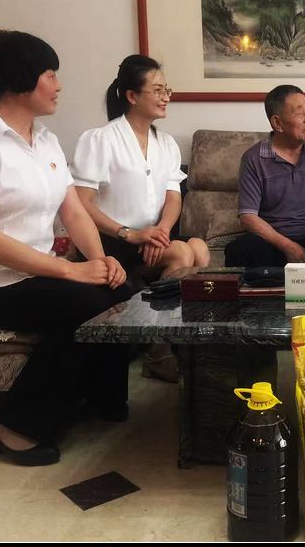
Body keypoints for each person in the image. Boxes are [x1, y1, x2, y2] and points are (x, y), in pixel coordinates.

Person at [0, 30, 133, 466]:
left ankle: (100, 399)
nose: (58, 85)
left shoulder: (46, 140)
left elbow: (74, 212)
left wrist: (100, 261)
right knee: (83, 307)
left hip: (34, 273)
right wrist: (71, 271)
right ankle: (14, 426)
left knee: (123, 294)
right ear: (20, 79)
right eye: (50, 75)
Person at [72, 54, 210, 382]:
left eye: (167, 90)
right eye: (157, 90)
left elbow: (174, 196)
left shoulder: (166, 143)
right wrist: (130, 234)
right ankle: (159, 352)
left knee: (199, 248)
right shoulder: (100, 139)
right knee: (182, 252)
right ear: (132, 96)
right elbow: (81, 203)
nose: (166, 97)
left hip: (150, 237)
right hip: (110, 241)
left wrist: (161, 230)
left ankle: (187, 343)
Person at [224, 84, 305, 267]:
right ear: (277, 123)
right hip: (273, 240)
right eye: (299, 113)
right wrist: (287, 246)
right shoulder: (253, 159)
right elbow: (247, 216)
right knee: (239, 250)